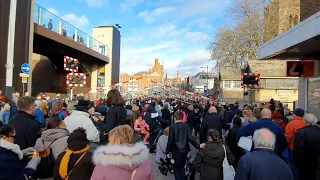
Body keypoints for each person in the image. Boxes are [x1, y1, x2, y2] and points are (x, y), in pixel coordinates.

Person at [166, 111, 200, 180]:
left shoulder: (172, 127)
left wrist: (167, 151)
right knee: (183, 166)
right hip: (185, 150)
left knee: (177, 168)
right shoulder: (186, 126)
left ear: (175, 118)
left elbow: (170, 140)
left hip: (175, 151)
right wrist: (197, 146)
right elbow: (191, 138)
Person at [294, 113, 320, 180]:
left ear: (305, 121)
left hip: (305, 164)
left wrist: (297, 164)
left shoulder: (300, 133)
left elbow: (298, 151)